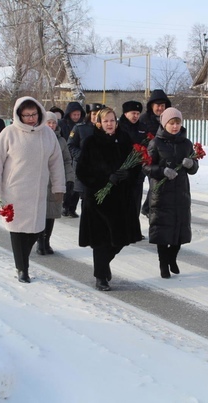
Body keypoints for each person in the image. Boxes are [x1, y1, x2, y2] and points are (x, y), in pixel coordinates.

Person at [0, 97, 65, 283]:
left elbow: (56, 163)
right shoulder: (9, 133)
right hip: (14, 190)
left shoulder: (47, 134)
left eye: (34, 114)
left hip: (38, 191)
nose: (31, 118)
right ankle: (22, 268)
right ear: (19, 115)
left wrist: (58, 185)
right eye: (26, 115)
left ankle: (23, 261)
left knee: (36, 229)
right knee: (17, 230)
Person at [76, 107, 142, 291]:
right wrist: (105, 179)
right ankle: (100, 277)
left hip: (121, 200)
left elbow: (136, 165)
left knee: (120, 240)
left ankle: (104, 266)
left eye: (112, 120)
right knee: (101, 241)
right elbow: (82, 171)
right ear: (98, 123)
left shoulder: (125, 140)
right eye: (105, 121)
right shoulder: (91, 142)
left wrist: (127, 174)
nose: (109, 124)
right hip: (99, 200)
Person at [143, 107, 198, 278]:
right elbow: (146, 166)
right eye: (171, 123)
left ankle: (172, 257)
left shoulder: (186, 143)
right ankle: (163, 264)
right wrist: (161, 171)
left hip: (181, 193)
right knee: (162, 231)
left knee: (180, 229)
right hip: (161, 193)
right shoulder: (155, 143)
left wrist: (191, 164)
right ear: (164, 123)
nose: (175, 127)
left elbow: (194, 168)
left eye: (177, 123)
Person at [36, 111, 75, 255]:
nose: (51, 125)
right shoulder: (38, 138)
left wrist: (70, 178)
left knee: (51, 213)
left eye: (53, 123)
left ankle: (47, 241)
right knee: (41, 213)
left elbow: (67, 161)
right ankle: (40, 242)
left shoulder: (61, 141)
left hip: (55, 182)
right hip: (40, 181)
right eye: (48, 122)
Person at [65, 103, 104, 218]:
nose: (96, 116)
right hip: (84, 170)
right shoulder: (80, 128)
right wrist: (83, 156)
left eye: (99, 114)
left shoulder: (105, 128)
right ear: (89, 114)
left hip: (101, 171)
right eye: (94, 114)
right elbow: (70, 146)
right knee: (87, 200)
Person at [139, 89, 172, 217]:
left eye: (163, 106)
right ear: (151, 106)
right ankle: (149, 208)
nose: (160, 108)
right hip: (148, 158)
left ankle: (149, 207)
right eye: (158, 105)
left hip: (164, 157)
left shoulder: (168, 119)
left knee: (159, 183)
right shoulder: (144, 119)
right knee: (155, 182)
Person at [118, 100, 147, 218]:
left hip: (137, 171)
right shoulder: (117, 127)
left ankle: (134, 230)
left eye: (138, 113)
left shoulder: (143, 127)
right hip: (121, 170)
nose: (136, 116)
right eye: (133, 113)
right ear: (125, 114)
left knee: (135, 202)